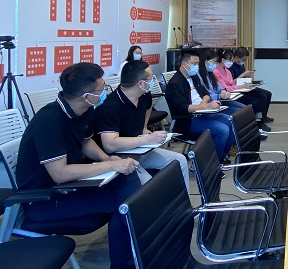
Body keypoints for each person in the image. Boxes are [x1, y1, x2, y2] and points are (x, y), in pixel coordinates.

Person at [16, 62, 142, 269]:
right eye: (101, 90)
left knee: (128, 183)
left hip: (71, 187)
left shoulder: (84, 110)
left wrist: (106, 159)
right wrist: (111, 166)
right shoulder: (48, 121)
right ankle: (125, 263)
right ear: (86, 96)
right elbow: (60, 173)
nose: (105, 92)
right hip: (46, 199)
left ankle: (136, 252)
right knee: (126, 203)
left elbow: (85, 141)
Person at [94, 59, 190, 189]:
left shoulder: (145, 95)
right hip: (120, 157)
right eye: (151, 79)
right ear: (141, 83)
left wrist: (143, 127)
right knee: (149, 187)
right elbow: (110, 145)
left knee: (179, 160)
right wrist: (147, 139)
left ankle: (184, 201)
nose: (153, 81)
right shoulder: (110, 106)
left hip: (141, 151)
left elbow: (148, 108)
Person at [164, 50, 234, 161]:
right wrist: (204, 107)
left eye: (197, 63)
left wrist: (203, 104)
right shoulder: (175, 84)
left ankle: (222, 155)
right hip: (188, 120)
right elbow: (183, 108)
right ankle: (211, 162)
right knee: (222, 130)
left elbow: (206, 94)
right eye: (194, 64)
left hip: (203, 113)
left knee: (231, 121)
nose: (197, 67)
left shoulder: (194, 77)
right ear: (184, 64)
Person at [213, 49, 272, 131]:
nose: (231, 62)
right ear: (223, 60)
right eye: (230, 60)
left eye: (232, 60)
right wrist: (241, 86)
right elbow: (226, 88)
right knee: (253, 103)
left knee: (259, 99)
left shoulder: (227, 71)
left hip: (235, 93)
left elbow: (232, 84)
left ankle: (259, 122)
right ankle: (255, 125)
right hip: (226, 96)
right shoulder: (216, 72)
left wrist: (243, 86)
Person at [229, 46, 274, 124]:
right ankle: (260, 121)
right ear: (236, 57)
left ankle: (264, 116)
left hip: (245, 87)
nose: (244, 61)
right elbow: (232, 82)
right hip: (238, 89)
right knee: (261, 97)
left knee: (268, 94)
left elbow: (242, 79)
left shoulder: (240, 65)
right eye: (243, 60)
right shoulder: (230, 67)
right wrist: (244, 74)